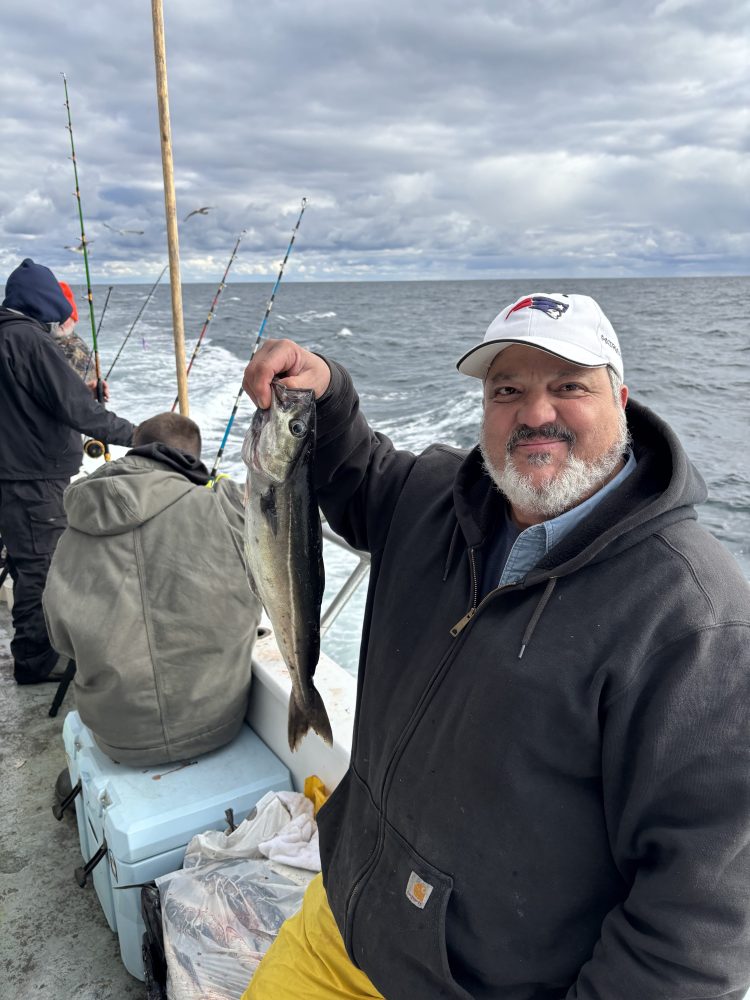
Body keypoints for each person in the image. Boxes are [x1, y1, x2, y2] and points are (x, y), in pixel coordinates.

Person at [240, 293, 750, 1000]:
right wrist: (323, 386)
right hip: (341, 916)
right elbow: (353, 471)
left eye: (569, 385)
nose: (536, 412)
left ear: (622, 400)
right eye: (507, 389)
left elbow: (697, 922)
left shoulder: (696, 620)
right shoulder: (435, 496)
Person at [43, 411, 262, 766]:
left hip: (119, 739)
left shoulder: (76, 526)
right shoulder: (227, 508)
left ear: (136, 450)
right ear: (193, 457)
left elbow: (59, 639)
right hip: (219, 723)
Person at [0, 258, 134, 685]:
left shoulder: (6, 335)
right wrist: (143, 435)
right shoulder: (29, 341)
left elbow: (34, 398)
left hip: (12, 473)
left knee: (27, 562)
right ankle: (35, 661)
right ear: (45, 306)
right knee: (39, 569)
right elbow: (77, 411)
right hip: (31, 478)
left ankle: (36, 652)